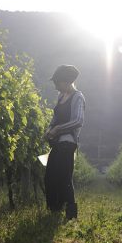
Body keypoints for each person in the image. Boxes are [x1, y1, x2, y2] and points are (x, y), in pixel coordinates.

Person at [44, 65, 85, 220]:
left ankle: (71, 214)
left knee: (64, 177)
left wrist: (58, 129)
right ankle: (55, 209)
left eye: (57, 82)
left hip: (68, 143)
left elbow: (78, 120)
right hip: (58, 143)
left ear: (66, 81)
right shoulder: (61, 97)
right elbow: (55, 118)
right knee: (50, 176)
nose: (55, 86)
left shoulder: (77, 97)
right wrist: (49, 129)